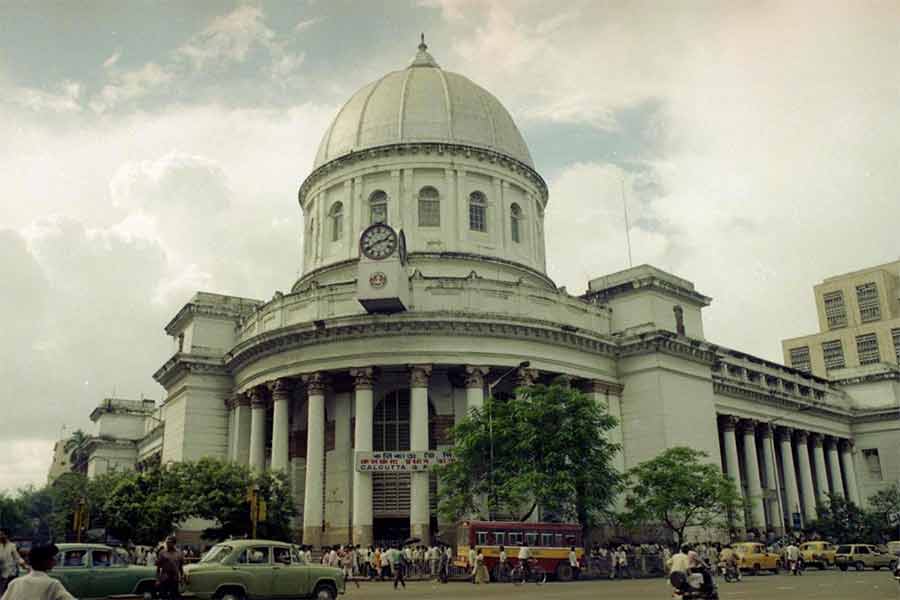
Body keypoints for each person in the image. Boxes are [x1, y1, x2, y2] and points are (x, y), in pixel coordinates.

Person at [0, 543, 72, 600]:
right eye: (52, 558)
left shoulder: (15, 583)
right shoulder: (53, 584)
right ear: (45, 562)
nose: (54, 561)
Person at [155, 535, 184, 600]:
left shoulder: (179, 553)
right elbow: (158, 568)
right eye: (167, 542)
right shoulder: (162, 553)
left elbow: (181, 567)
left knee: (174, 596)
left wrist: (182, 577)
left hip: (175, 578)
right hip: (165, 577)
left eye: (169, 542)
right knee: (163, 596)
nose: (167, 544)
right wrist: (157, 580)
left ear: (174, 543)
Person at [0, 531, 26, 596]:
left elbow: (17, 557)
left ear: (6, 536)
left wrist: (24, 566)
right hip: (1, 572)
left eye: (1, 535)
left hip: (11, 572)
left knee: (9, 591)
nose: (0, 536)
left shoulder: (12, 546)